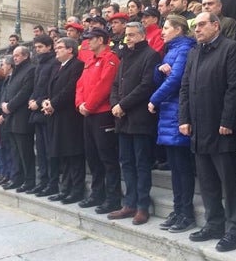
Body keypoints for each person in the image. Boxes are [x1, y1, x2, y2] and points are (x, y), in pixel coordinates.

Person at [179, 12, 236, 251]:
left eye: (201, 25)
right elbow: (185, 88)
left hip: (221, 128)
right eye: (194, 26)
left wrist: (228, 120)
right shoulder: (193, 53)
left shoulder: (230, 48)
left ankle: (235, 229)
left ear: (216, 26)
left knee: (229, 183)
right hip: (198, 127)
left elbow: (234, 87)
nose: (196, 29)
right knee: (207, 182)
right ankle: (214, 223)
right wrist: (183, 119)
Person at [110, 22, 161, 225]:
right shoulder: (125, 57)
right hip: (122, 119)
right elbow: (115, 84)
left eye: (131, 35)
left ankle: (142, 206)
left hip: (139, 118)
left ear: (141, 35)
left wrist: (122, 105)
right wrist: (115, 104)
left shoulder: (151, 55)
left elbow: (146, 86)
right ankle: (129, 203)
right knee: (127, 162)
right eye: (126, 35)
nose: (127, 39)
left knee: (141, 164)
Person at [150, 14, 197, 233]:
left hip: (178, 113)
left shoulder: (185, 48)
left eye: (167, 27)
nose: (163, 31)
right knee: (176, 170)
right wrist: (160, 71)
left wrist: (154, 99)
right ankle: (178, 209)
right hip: (168, 115)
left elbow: (176, 80)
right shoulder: (170, 50)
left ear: (179, 29)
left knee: (183, 169)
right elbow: (161, 77)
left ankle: (186, 212)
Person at [75, 28, 121, 208]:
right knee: (93, 157)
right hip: (88, 113)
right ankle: (97, 193)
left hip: (102, 114)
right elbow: (80, 84)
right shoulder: (89, 61)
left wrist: (89, 105)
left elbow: (105, 85)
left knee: (107, 158)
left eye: (90, 39)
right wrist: (80, 104)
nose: (86, 43)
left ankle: (113, 198)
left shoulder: (110, 59)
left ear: (101, 40)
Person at [41, 38, 86, 202]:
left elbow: (70, 89)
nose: (56, 50)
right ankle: (65, 188)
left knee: (73, 154)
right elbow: (51, 89)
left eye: (60, 47)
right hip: (57, 116)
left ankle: (76, 190)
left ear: (70, 50)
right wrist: (47, 101)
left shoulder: (77, 65)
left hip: (70, 117)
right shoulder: (58, 67)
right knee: (63, 154)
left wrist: (53, 103)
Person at [0, 46, 36, 193]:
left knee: (25, 151)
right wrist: (3, 104)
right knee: (15, 151)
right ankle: (17, 178)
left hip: (22, 117)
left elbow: (25, 92)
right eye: (14, 56)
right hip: (11, 117)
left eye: (17, 55)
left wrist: (10, 106)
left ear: (26, 56)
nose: (14, 58)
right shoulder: (15, 71)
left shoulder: (31, 69)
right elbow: (7, 90)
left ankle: (29, 181)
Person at [26, 35, 57, 195]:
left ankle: (52, 183)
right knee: (41, 149)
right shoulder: (39, 64)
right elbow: (36, 86)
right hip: (36, 112)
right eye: (36, 47)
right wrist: (32, 99)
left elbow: (49, 87)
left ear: (49, 47)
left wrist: (38, 102)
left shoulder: (53, 63)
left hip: (46, 111)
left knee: (49, 149)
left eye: (40, 47)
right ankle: (43, 180)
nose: (37, 50)